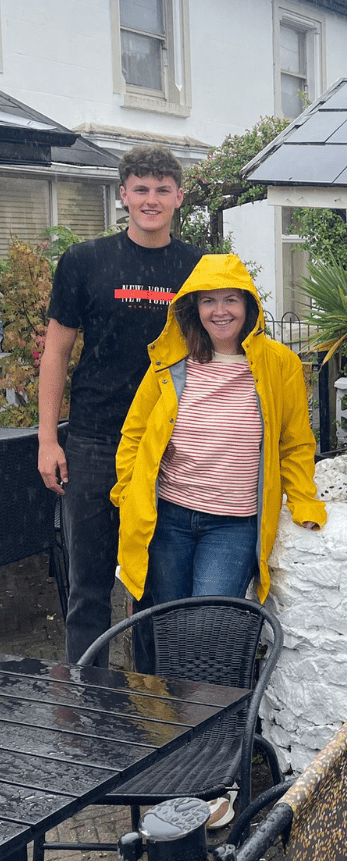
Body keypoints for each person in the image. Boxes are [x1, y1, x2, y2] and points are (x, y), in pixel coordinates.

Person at [38, 145, 202, 666]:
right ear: (124, 195)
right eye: (140, 189)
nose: (150, 200)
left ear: (179, 197)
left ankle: (150, 714)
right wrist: (47, 441)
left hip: (170, 445)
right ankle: (88, 711)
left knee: (155, 588)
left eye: (161, 190)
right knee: (89, 584)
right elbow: (55, 353)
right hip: (94, 440)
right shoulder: (84, 262)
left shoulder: (198, 268)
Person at [111, 253, 326, 608]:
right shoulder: (171, 362)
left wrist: (304, 501)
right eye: (209, 300)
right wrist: (126, 492)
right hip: (168, 518)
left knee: (208, 626)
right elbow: (134, 433)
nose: (220, 311)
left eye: (231, 299)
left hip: (233, 525)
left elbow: (295, 443)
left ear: (248, 305)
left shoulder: (279, 364)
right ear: (194, 307)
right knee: (169, 623)